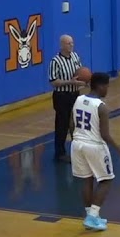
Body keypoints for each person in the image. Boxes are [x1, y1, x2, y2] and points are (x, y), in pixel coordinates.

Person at [70, 72, 120, 231]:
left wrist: (75, 140)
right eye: (107, 86)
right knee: (106, 180)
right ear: (100, 86)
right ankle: (93, 215)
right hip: (94, 146)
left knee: (87, 180)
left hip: (77, 144)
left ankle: (91, 217)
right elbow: (105, 134)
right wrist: (119, 149)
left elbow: (71, 124)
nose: (108, 89)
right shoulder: (101, 107)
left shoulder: (78, 99)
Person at [48, 34, 85, 162]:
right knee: (62, 125)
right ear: (62, 45)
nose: (71, 45)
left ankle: (77, 151)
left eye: (72, 43)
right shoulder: (55, 61)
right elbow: (53, 82)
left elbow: (80, 72)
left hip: (75, 94)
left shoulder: (75, 56)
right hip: (61, 96)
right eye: (69, 43)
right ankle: (60, 153)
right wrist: (70, 82)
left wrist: (82, 81)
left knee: (75, 124)